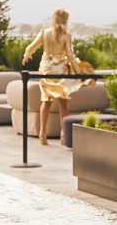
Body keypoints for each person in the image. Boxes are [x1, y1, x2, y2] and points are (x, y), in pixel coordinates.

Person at [22, 9, 84, 145]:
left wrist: (26, 56)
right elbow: (70, 56)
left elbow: (31, 47)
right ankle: (64, 134)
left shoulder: (45, 32)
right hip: (60, 71)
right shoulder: (66, 36)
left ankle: (42, 133)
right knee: (64, 103)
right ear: (66, 20)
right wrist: (78, 71)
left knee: (46, 101)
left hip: (46, 69)